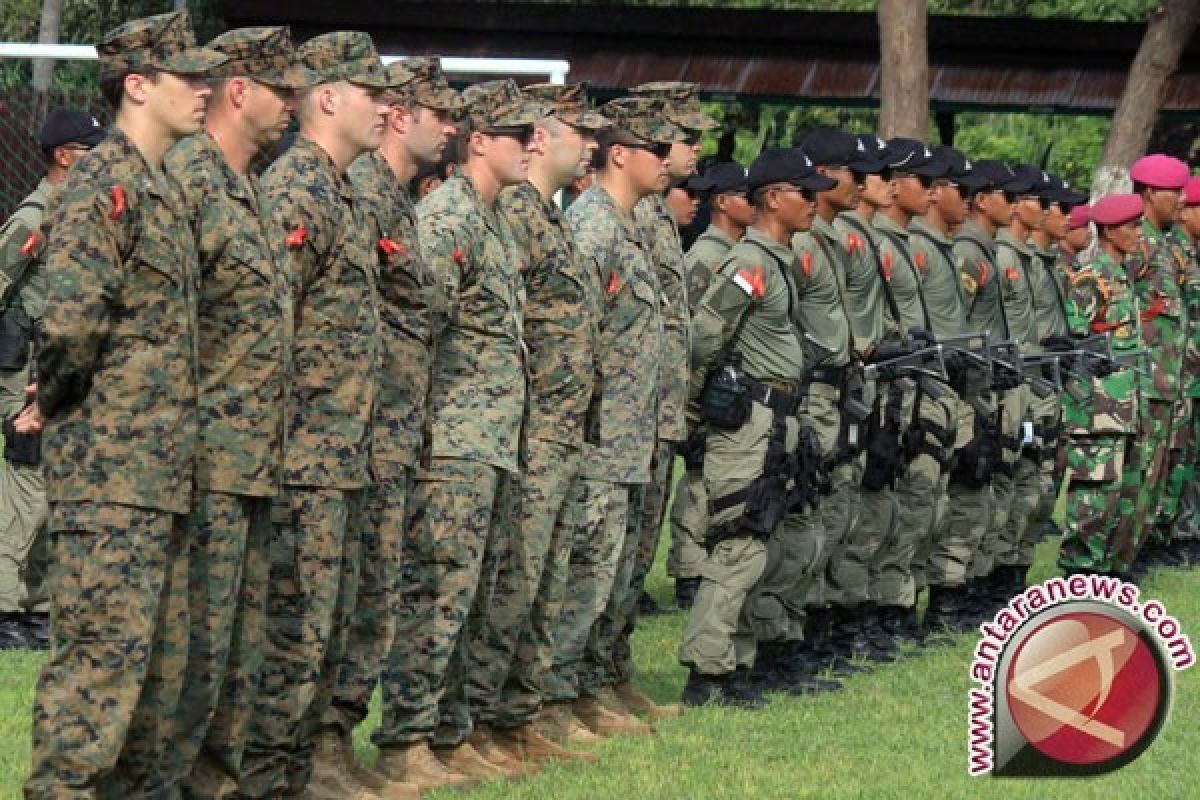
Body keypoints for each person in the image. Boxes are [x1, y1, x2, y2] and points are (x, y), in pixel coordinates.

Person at [18, 10, 226, 798]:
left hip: (158, 471)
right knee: (99, 669)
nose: (205, 91)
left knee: (153, 674)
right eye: (189, 78)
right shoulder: (105, 184)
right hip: (111, 472)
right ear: (138, 85)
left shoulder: (158, 185)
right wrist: (69, 406)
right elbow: (69, 327)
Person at [371, 79, 543, 792]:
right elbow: (418, 327)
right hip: (454, 442)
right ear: (482, 143)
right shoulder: (448, 219)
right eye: (517, 135)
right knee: (437, 593)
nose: (532, 146)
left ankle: (448, 730)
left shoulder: (491, 217)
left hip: (490, 439)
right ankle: (405, 739)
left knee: (471, 595)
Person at [237, 30, 388, 800]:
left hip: (339, 454)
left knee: (321, 632)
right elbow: (269, 323)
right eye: (372, 94)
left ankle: (295, 774)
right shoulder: (297, 187)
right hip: (300, 458)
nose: (384, 109)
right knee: (291, 636)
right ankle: (265, 780)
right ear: (327, 99)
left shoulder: (342, 188)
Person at [159, 25, 308, 798]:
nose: (294, 103)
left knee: (235, 653)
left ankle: (215, 782)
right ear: (239, 92)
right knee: (188, 650)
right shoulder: (187, 180)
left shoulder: (247, 185)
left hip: (253, 461)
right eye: (281, 89)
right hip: (202, 462)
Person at [325, 56, 460, 799]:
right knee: (347, 599)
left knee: (374, 596)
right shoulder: (363, 193)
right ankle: (321, 747)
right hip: (361, 435)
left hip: (394, 434)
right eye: (439, 115)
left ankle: (337, 741)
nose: (451, 131)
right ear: (402, 117)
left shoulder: (394, 198)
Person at [465, 81, 610, 766]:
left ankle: (518, 716)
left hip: (558, 430)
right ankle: (482, 721)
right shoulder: (514, 214)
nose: (592, 145)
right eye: (579, 131)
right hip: (525, 432)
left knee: (541, 585)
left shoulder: (547, 215)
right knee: (512, 585)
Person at [680, 146, 834, 707]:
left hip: (779, 421)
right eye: (805, 194)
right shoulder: (750, 262)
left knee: (767, 546)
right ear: (774, 198)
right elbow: (705, 335)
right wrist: (695, 414)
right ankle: (708, 673)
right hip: (748, 422)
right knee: (739, 547)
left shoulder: (776, 259)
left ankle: (741, 662)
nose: (815, 204)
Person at [541, 96, 674, 737]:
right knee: (582, 573)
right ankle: (555, 697)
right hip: (598, 437)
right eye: (657, 149)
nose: (670, 161)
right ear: (620, 155)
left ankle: (586, 686)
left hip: (627, 436)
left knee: (607, 574)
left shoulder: (626, 224)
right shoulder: (593, 226)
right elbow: (576, 332)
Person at [0, 108, 103, 652]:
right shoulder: (34, 217)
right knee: (25, 479)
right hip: (23, 368)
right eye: (90, 154)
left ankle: (39, 606)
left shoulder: (81, 214)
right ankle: (4, 606)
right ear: (64, 156)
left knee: (54, 482)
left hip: (55, 366)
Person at [669, 160, 752, 610]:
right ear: (725, 203)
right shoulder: (706, 255)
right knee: (700, 482)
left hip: (728, 384)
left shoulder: (740, 251)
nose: (754, 204)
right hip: (707, 386)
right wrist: (693, 398)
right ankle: (688, 569)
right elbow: (693, 328)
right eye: (745, 196)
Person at [1056, 194, 1147, 578]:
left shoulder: (1121, 275)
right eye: (1132, 227)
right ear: (1110, 230)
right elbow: (1071, 337)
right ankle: (1080, 576)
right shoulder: (1093, 277)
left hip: (1121, 406)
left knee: (1117, 498)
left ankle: (1106, 573)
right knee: (1092, 498)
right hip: (1095, 409)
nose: (1138, 234)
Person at [1128, 154, 1189, 571]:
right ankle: (1121, 556)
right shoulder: (1139, 245)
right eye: (1175, 192)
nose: (1183, 200)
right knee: (1137, 471)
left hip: (1167, 381)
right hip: (1143, 381)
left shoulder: (1164, 244)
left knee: (1157, 470)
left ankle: (1139, 548)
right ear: (1151, 193)